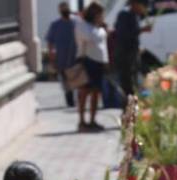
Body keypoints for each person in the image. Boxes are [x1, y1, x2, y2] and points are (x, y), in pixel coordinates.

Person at [74, 1, 108, 132]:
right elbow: (87, 38)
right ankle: (82, 121)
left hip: (99, 62)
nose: (102, 16)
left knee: (96, 92)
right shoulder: (83, 25)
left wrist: (106, 61)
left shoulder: (98, 27)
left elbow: (103, 46)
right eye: (100, 14)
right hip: (87, 61)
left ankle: (93, 120)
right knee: (84, 92)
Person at [113, 0, 151, 99]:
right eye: (142, 5)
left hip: (133, 55)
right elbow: (123, 34)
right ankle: (127, 110)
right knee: (128, 86)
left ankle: (132, 109)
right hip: (125, 57)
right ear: (135, 4)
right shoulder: (124, 15)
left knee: (134, 83)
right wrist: (142, 30)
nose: (144, 8)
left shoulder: (136, 16)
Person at [46, 2, 77, 108]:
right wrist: (51, 56)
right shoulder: (55, 25)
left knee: (77, 79)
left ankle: (75, 99)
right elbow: (50, 42)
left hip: (75, 57)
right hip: (62, 58)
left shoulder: (75, 23)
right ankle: (70, 100)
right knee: (66, 80)